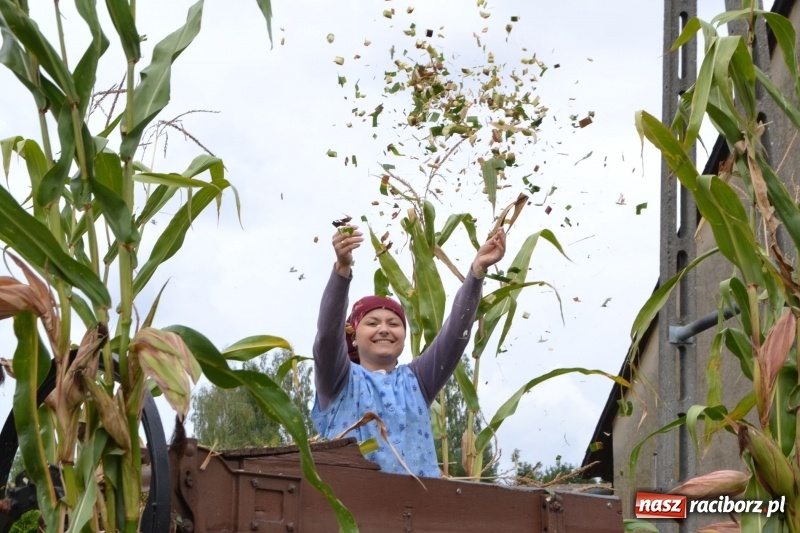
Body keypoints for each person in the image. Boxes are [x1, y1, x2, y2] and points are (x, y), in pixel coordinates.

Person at [311, 223, 506, 477]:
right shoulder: (338, 381)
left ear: (403, 337)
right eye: (372, 323)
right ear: (352, 337)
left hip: (419, 509)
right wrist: (342, 270)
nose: (384, 329)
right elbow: (327, 336)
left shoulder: (416, 381)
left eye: (394, 323)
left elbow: (453, 337)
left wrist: (476, 273)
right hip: (348, 506)